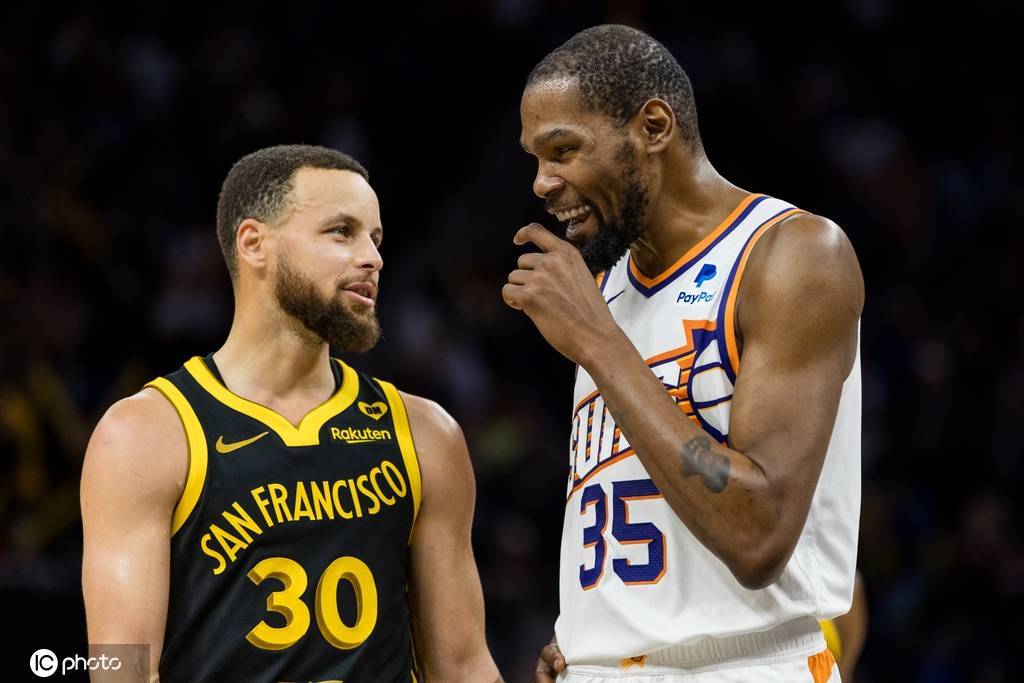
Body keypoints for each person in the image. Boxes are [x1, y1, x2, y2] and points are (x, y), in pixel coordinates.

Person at [506, 26, 863, 682]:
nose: (541, 182)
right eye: (536, 158)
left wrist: (598, 341)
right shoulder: (605, 289)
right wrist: (595, 636)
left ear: (654, 126)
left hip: (745, 666)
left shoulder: (793, 255)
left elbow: (759, 535)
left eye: (563, 150)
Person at [81, 145, 502, 682]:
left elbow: (463, 666)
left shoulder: (425, 433)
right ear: (254, 244)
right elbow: (121, 672)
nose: (372, 258)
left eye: (375, 239)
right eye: (341, 232)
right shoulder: (144, 435)